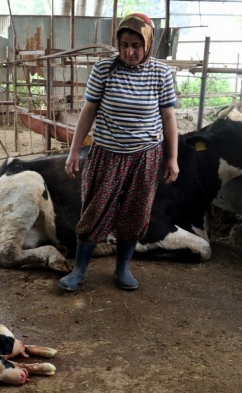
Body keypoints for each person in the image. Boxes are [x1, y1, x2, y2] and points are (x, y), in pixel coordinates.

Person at [59, 13, 180, 291]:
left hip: (145, 156)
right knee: (94, 209)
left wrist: (171, 158)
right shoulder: (103, 70)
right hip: (106, 153)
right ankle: (79, 270)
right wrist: (74, 150)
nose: (129, 51)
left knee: (135, 213)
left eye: (136, 45)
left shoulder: (160, 73)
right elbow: (88, 111)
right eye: (124, 44)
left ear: (147, 44)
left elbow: (168, 118)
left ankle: (122, 268)